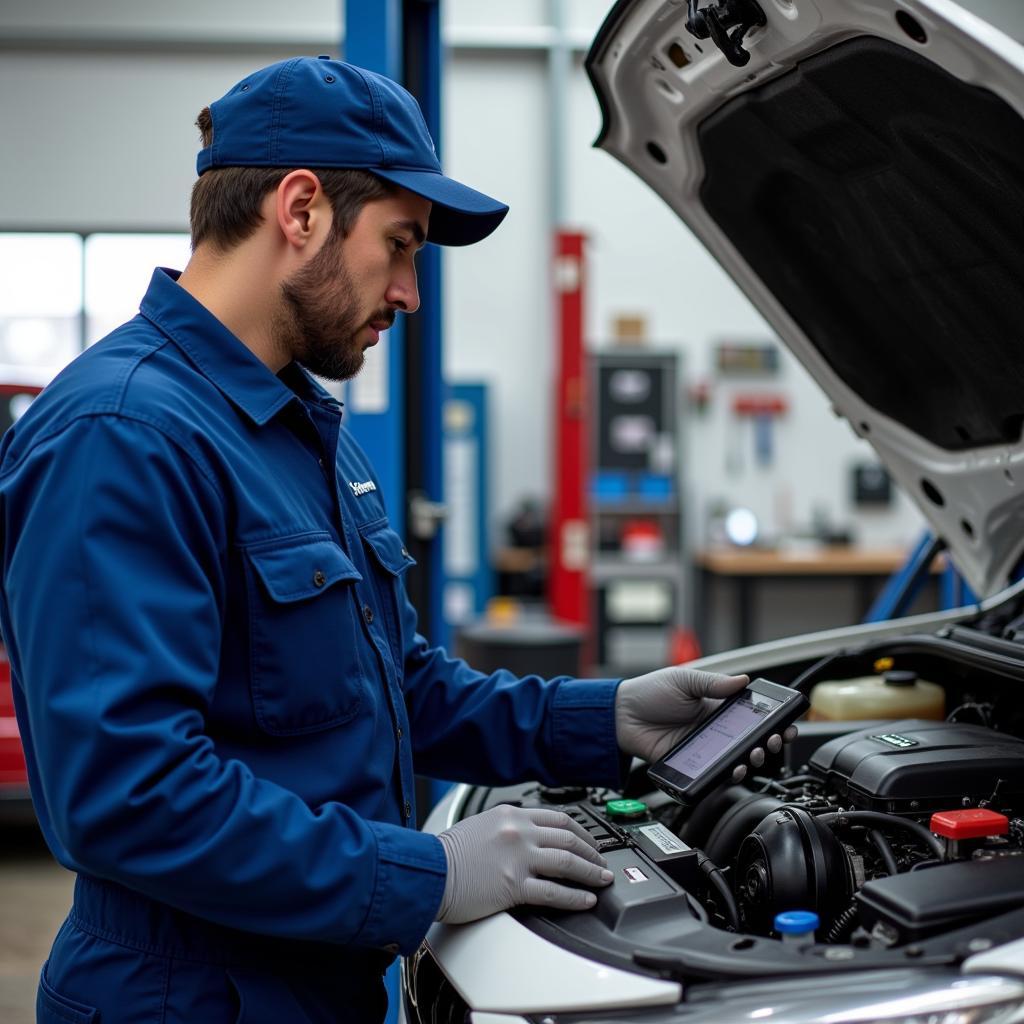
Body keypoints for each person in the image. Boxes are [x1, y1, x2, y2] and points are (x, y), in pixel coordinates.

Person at [0, 57, 788, 1023]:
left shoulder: (295, 429)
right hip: (189, 994)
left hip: (317, 976)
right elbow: (125, 794)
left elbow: (396, 687)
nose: (410, 292)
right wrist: (424, 874)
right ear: (299, 210)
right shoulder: (125, 435)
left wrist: (607, 718)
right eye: (400, 245)